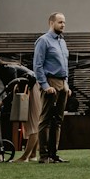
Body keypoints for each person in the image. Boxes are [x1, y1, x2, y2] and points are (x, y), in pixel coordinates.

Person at [31, 12, 69, 163]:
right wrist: (45, 85)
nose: (63, 25)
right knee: (45, 119)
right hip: (50, 81)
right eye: (60, 22)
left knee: (58, 120)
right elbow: (37, 65)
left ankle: (54, 154)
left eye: (64, 22)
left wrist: (66, 83)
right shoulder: (43, 41)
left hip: (62, 83)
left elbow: (65, 65)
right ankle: (44, 155)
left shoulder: (62, 42)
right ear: (51, 23)